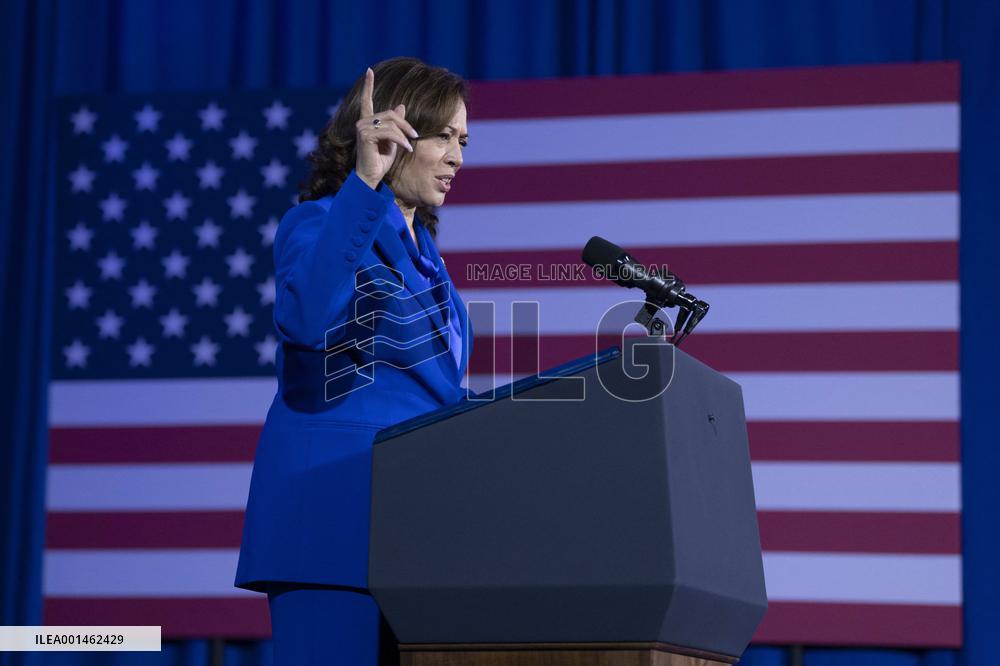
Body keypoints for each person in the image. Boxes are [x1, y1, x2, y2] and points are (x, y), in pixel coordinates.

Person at [234, 56, 471, 665]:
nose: (457, 158)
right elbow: (307, 319)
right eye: (443, 136)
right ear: (394, 132)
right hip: (332, 528)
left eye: (463, 141)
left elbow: (438, 400)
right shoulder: (315, 224)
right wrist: (364, 187)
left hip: (421, 541)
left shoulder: (433, 267)